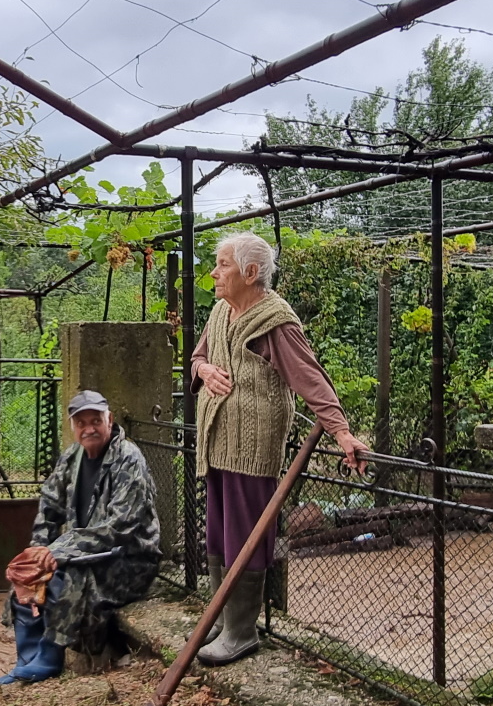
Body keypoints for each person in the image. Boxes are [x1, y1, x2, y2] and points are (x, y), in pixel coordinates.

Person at [191, 231, 367, 667]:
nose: (214, 273)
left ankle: (241, 631)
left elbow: (310, 378)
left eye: (223, 265)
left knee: (245, 536)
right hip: (215, 442)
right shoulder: (219, 312)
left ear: (251, 273)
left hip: (252, 447)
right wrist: (206, 369)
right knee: (218, 533)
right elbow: (196, 359)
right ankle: (221, 615)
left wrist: (341, 432)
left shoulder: (275, 320)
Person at [0, 390, 162, 685]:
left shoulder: (128, 460)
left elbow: (120, 526)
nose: (89, 429)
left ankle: (50, 655)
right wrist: (39, 550)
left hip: (129, 561)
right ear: (73, 426)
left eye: (96, 420)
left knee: (66, 577)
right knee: (29, 576)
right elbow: (49, 507)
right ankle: (26, 658)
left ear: (109, 420)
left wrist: (60, 550)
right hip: (87, 553)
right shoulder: (72, 457)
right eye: (81, 423)